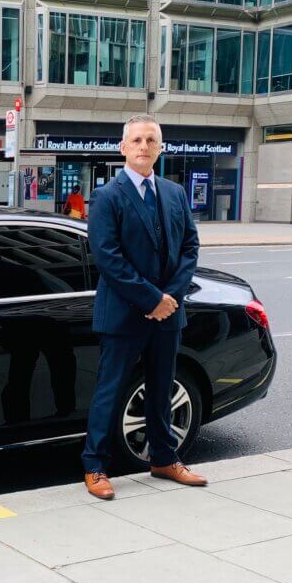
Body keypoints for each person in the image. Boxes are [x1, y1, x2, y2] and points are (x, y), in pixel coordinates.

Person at [82, 114, 204, 500]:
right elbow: (108, 257)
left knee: (161, 389)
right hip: (123, 314)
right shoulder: (107, 196)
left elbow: (189, 247)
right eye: (136, 140)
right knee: (110, 391)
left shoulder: (174, 193)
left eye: (151, 140)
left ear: (161, 147)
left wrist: (171, 297)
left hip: (168, 314)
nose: (143, 146)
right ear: (123, 147)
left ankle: (165, 458)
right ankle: (95, 466)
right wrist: (152, 299)